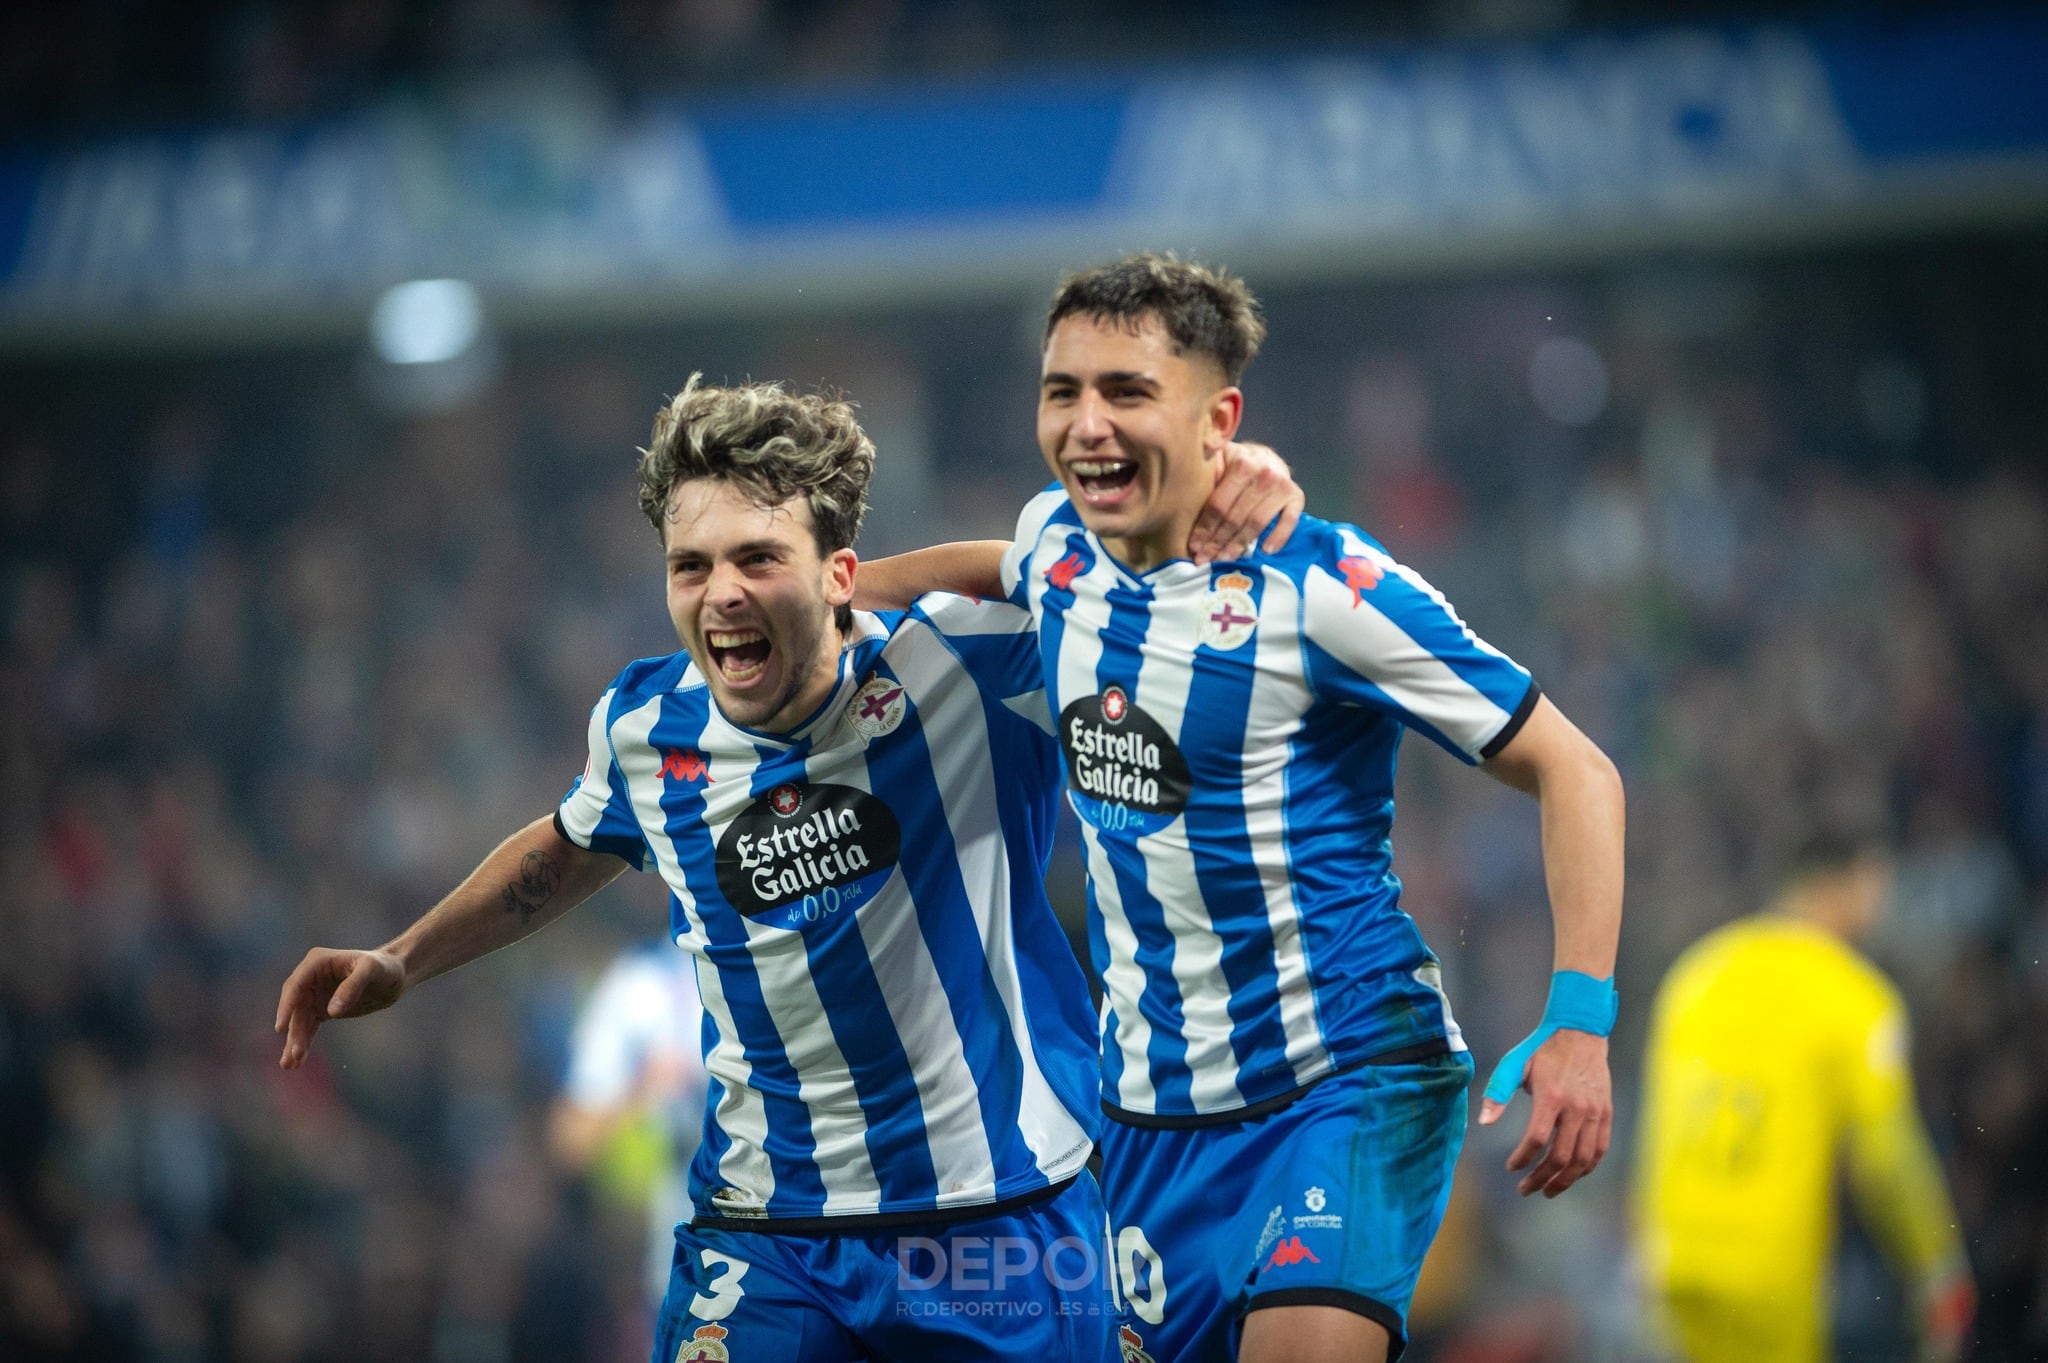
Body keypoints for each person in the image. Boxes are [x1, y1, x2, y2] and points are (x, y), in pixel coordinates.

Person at [274, 374, 1297, 1362]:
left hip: (1006, 1221)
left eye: (757, 557)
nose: (719, 593)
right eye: (689, 565)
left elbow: (1102, 587)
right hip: (768, 1236)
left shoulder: (964, 665)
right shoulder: (645, 726)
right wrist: (403, 957)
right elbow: (571, 839)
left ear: (841, 573)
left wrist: (1227, 490)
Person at [858, 252, 1626, 1363]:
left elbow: (1577, 770)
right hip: (1151, 1126)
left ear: (1217, 416)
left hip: (1343, 1080)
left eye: (1125, 392)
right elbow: (999, 564)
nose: (1083, 424)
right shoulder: (1056, 551)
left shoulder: (1322, 586)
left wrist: (1579, 1021)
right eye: (1060, 390)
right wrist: (837, 585)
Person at [1634, 833, 1975, 1363]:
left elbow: (1654, 1127)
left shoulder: (1697, 973)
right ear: (1854, 882)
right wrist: (1938, 1266)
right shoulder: (1854, 998)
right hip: (1767, 1274)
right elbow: (1886, 1160)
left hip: (1674, 1263)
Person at [548, 937, 709, 1310]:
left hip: (797, 1237)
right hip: (685, 1267)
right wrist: (645, 1085)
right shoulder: (640, 983)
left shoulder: (800, 951)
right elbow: (569, 1139)